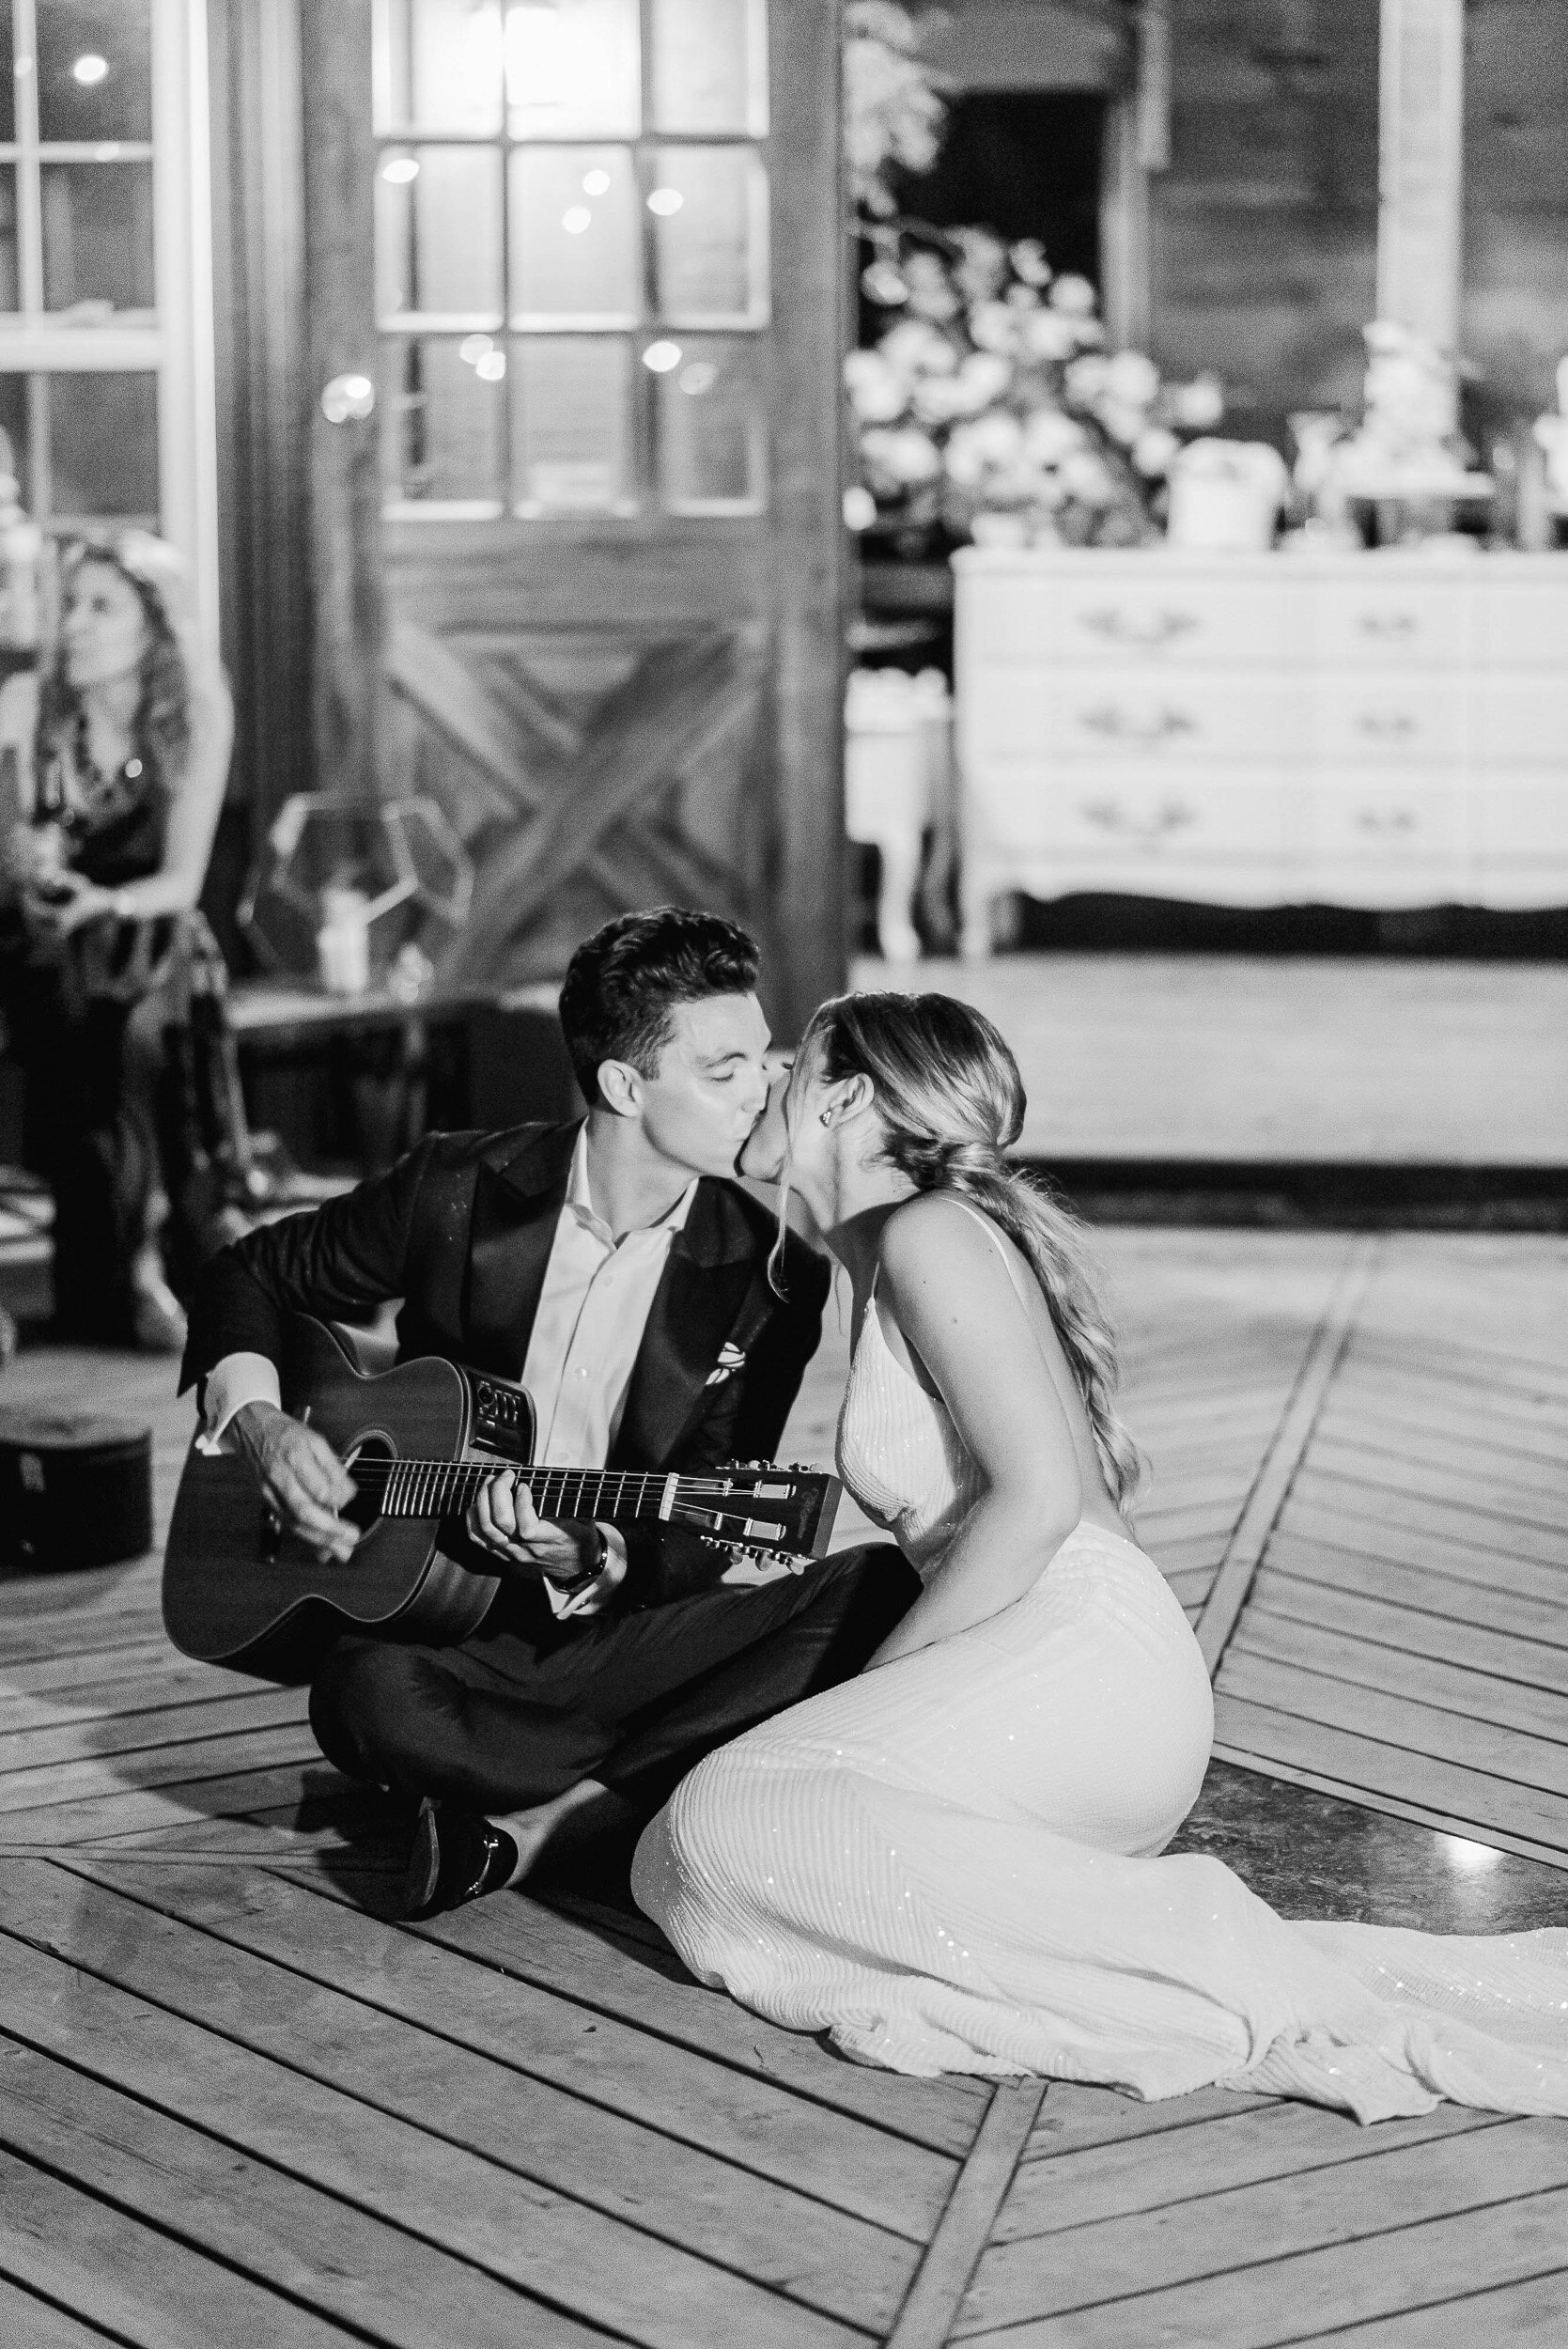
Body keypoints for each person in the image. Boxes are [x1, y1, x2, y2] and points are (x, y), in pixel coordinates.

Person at [632, 992, 1568, 2123]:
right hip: (1050, 1665)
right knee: (695, 1844)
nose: (764, 1083)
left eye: (788, 1063)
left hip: (1081, 1654)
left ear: (844, 1098)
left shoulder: (931, 1233)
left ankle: (1205, 1940)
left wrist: (873, 1696)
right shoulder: (880, 1254)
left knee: (723, 1820)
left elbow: (1034, 1504)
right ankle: (1115, 1943)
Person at [181, 909, 919, 1917]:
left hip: (609, 1637)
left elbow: (699, 1531)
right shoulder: (455, 1189)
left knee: (876, 1588)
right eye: (726, 1070)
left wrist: (586, 1551)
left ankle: (546, 1813)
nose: (767, 1088)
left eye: (763, 1056)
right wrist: (264, 1427)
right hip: (442, 1632)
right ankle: (681, 1773)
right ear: (624, 1086)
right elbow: (247, 1272)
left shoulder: (772, 1280)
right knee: (365, 1696)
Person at [0, 531, 233, 1352]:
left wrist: (108, 902)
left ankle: (139, 1259)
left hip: (144, 924)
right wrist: (24, 856)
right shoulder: (29, 705)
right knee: (76, 985)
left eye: (102, 607)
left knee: (130, 1008)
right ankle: (128, 1266)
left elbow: (183, 881)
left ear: (155, 626)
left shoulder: (195, 713)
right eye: (70, 604)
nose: (75, 624)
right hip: (37, 932)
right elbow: (14, 849)